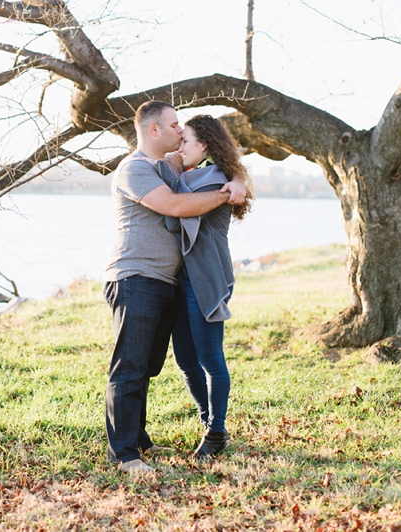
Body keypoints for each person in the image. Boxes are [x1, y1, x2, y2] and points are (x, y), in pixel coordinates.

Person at [103, 101, 247, 473]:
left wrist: (238, 180)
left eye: (184, 130)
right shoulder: (135, 168)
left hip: (166, 282)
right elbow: (173, 204)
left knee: (147, 366)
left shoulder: (166, 167)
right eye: (174, 126)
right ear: (153, 130)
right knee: (130, 366)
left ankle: (138, 438)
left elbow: (214, 166)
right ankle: (125, 455)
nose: (180, 132)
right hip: (135, 277)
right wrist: (226, 192)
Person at [161, 115, 253, 460]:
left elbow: (173, 215)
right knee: (186, 359)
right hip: (184, 277)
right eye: (179, 141)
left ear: (205, 146)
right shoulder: (205, 175)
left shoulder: (211, 180)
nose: (180, 147)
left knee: (210, 358)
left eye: (185, 141)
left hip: (207, 276)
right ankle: (210, 425)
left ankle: (216, 432)